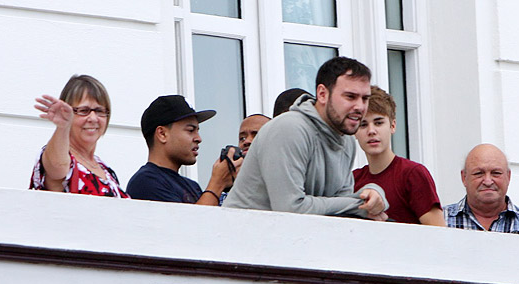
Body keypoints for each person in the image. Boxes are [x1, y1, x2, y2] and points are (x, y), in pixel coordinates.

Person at [224, 57, 388, 220]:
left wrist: (374, 193)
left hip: (292, 240)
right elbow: (290, 209)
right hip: (242, 239)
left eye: (365, 98)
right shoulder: (289, 128)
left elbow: (342, 210)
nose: (359, 106)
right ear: (322, 94)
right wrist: (358, 205)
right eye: (350, 97)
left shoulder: (347, 139)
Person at [353, 86, 444, 225]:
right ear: (354, 131)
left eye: (378, 123)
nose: (371, 131)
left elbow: (438, 232)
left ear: (392, 125)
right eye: (363, 124)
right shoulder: (353, 180)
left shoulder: (413, 174)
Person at [126, 95, 241, 205]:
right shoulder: (145, 182)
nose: (198, 138)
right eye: (191, 130)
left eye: (197, 131)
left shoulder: (192, 186)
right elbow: (190, 224)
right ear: (162, 134)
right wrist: (217, 183)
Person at [31, 75, 128, 197]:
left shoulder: (105, 169)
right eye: (83, 110)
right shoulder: (63, 159)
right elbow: (57, 167)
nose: (93, 118)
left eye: (99, 111)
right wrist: (63, 127)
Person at [444, 144, 519, 236]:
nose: (487, 181)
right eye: (478, 173)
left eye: (496, 173)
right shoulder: (440, 221)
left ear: (508, 176)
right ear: (464, 178)